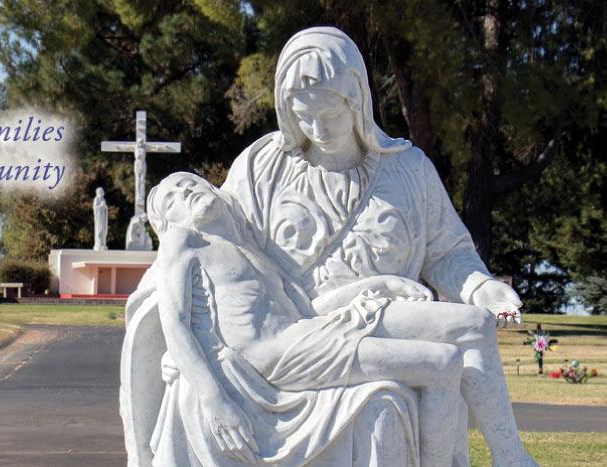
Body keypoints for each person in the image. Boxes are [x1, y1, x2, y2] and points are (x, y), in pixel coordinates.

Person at [219, 26, 535, 466]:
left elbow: (448, 254)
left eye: (328, 115)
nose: (317, 129)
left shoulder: (407, 170)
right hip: (299, 331)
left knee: (470, 328)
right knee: (443, 353)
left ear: (357, 100)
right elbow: (212, 242)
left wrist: (483, 287)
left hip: (379, 322)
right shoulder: (262, 168)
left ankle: (511, 457)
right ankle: (513, 459)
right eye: (303, 117)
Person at [148, 172, 464, 465]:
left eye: (189, 182)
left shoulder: (252, 252)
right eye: (171, 198)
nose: (185, 190)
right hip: (277, 356)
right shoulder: (182, 241)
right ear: (167, 222)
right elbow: (175, 322)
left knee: (443, 355)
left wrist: (376, 285)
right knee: (443, 363)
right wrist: (215, 400)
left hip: (306, 339)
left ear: (212, 188)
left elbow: (308, 310)